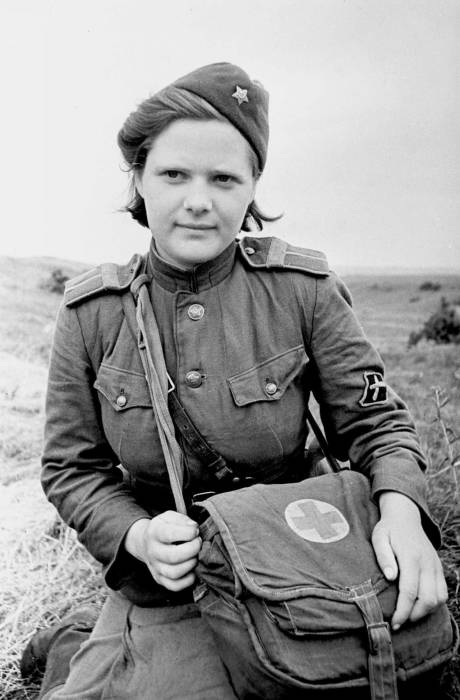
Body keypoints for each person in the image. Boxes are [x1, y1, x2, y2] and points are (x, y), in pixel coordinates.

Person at [32, 62, 449, 698]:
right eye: (174, 174)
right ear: (139, 179)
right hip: (175, 581)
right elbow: (71, 468)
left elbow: (377, 424)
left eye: (224, 178)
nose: (199, 200)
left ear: (252, 185)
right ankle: (82, 641)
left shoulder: (303, 290)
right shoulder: (92, 314)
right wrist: (138, 537)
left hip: (295, 551)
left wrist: (401, 515)